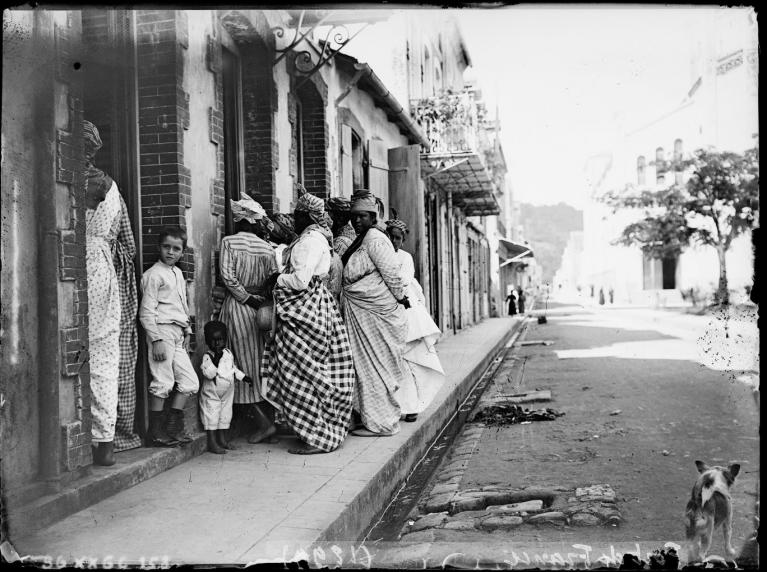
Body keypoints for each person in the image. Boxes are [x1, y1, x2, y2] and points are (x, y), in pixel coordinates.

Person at [260, 185, 356, 454]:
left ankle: (316, 436)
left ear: (306, 216)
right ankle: (315, 430)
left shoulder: (309, 241)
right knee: (311, 372)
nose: (295, 217)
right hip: (316, 306)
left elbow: (301, 281)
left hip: (304, 308)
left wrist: (277, 278)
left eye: (298, 213)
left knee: (303, 373)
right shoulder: (317, 238)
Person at [342, 189, 411, 437]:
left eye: (362, 216)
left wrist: (401, 298)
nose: (356, 221)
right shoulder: (362, 239)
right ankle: (368, 417)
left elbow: (391, 273)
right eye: (354, 217)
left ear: (373, 217)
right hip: (361, 312)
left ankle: (382, 423)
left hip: (375, 313)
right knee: (363, 368)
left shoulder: (376, 240)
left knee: (376, 368)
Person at [218, 194, 278, 444]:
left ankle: (263, 424)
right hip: (261, 311)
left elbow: (228, 278)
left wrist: (244, 297)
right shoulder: (267, 247)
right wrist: (259, 299)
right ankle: (265, 420)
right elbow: (273, 280)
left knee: (238, 364)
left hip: (238, 308)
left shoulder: (229, 242)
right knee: (258, 364)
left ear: (240, 221)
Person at [83, 120, 123, 466]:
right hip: (102, 264)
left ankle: (89, 437)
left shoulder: (75, 181)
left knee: (81, 350)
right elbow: (117, 233)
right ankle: (104, 440)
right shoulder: (110, 186)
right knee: (104, 354)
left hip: (78, 262)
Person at [139, 227, 199, 446]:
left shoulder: (178, 274)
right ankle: (155, 432)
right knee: (163, 381)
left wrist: (188, 331)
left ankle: (172, 427)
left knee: (190, 382)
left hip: (177, 332)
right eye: (166, 247)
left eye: (176, 249)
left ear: (182, 252)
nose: (171, 252)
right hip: (161, 331)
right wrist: (155, 340)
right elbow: (146, 311)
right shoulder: (153, 275)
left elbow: (183, 305)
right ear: (159, 248)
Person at [385, 211, 445, 423]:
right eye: (390, 236)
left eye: (397, 238)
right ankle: (399, 406)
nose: (393, 241)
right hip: (387, 311)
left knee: (411, 360)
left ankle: (413, 406)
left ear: (403, 240)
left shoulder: (405, 258)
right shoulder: (381, 253)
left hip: (407, 311)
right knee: (395, 362)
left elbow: (403, 280)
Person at [109, 184, 142, 453]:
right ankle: (117, 433)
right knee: (118, 358)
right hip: (113, 280)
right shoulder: (112, 191)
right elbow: (129, 245)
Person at [199, 321, 252, 454]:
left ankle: (222, 440)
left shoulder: (227, 353)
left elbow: (233, 369)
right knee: (212, 415)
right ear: (207, 341)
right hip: (213, 394)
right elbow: (209, 374)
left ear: (225, 340)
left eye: (220, 340)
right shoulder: (208, 357)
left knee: (224, 415)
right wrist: (216, 360)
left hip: (228, 393)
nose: (217, 344)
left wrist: (244, 377)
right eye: (213, 341)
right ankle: (212, 442)